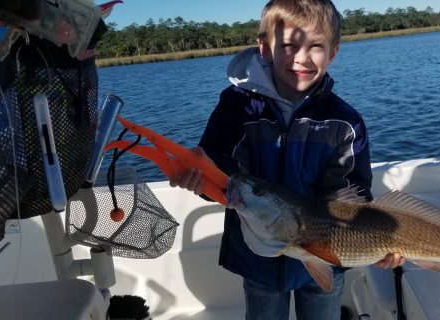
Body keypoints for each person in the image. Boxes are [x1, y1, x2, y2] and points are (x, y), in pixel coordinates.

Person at [170, 0, 405, 319]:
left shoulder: (344, 122)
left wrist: (378, 243)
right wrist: (198, 175)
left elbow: (352, 194)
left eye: (316, 46)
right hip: (258, 259)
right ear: (265, 49)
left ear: (333, 52)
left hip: (329, 254)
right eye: (290, 46)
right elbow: (221, 172)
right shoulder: (237, 107)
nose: (302, 58)